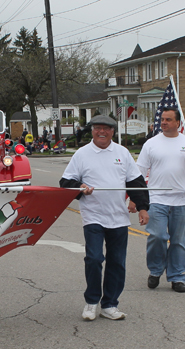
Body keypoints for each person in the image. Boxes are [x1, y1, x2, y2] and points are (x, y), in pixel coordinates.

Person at [60, 115, 149, 321]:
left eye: (106, 129)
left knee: (117, 262)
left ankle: (109, 304)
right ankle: (91, 302)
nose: (102, 132)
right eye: (97, 128)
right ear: (92, 131)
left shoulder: (122, 153)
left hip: (118, 217)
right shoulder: (82, 154)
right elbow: (66, 182)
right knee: (94, 259)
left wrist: (143, 208)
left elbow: (135, 182)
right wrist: (80, 188)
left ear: (112, 132)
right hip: (93, 216)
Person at [136, 108, 185, 293]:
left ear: (178, 123)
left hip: (183, 200)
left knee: (178, 241)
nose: (164, 122)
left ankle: (177, 277)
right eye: (163, 119)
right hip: (157, 198)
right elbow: (139, 171)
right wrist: (135, 198)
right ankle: (155, 270)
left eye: (169, 119)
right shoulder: (151, 144)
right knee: (158, 236)